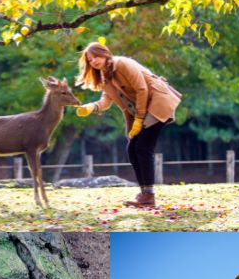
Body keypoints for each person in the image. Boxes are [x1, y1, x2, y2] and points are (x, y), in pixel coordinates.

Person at [75, 42, 181, 208]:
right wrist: (92, 107)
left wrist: (139, 119)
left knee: (143, 148)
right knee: (132, 149)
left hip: (158, 102)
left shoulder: (122, 63)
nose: (93, 61)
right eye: (90, 60)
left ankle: (148, 195)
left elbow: (142, 89)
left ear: (105, 53)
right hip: (142, 111)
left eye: (96, 56)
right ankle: (145, 193)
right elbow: (106, 100)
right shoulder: (105, 77)